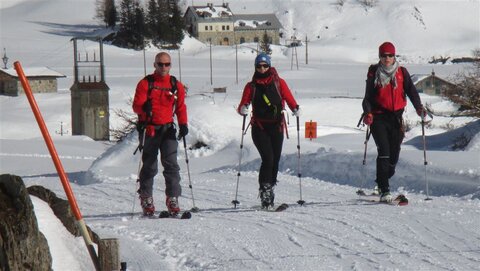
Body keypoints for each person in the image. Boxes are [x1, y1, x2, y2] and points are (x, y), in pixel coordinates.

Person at [362, 41, 425, 202]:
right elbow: (367, 97)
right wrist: (367, 112)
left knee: (394, 156)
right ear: (379, 57)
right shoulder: (374, 73)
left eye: (390, 55)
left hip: (396, 118)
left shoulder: (401, 72)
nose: (387, 58)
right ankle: (384, 190)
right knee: (384, 151)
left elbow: (411, 91)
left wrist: (418, 107)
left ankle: (381, 180)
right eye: (384, 56)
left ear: (394, 56)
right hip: (378, 117)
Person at [237, 53, 301, 209]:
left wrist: (295, 108)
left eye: (265, 65)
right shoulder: (251, 86)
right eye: (259, 66)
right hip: (259, 128)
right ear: (255, 67)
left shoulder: (279, 83)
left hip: (277, 127)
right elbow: (242, 106)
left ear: (270, 66)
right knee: (268, 159)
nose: (262, 68)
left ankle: (270, 188)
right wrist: (243, 109)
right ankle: (265, 193)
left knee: (276, 160)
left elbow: (289, 97)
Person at [132, 52, 188, 216]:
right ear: (154, 65)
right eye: (160, 64)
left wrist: (183, 123)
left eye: (167, 64)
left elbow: (181, 107)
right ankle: (146, 197)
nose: (163, 67)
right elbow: (136, 106)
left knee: (171, 165)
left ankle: (172, 198)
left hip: (168, 129)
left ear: (170, 65)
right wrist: (144, 109)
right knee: (149, 166)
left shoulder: (175, 84)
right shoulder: (145, 83)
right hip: (150, 129)